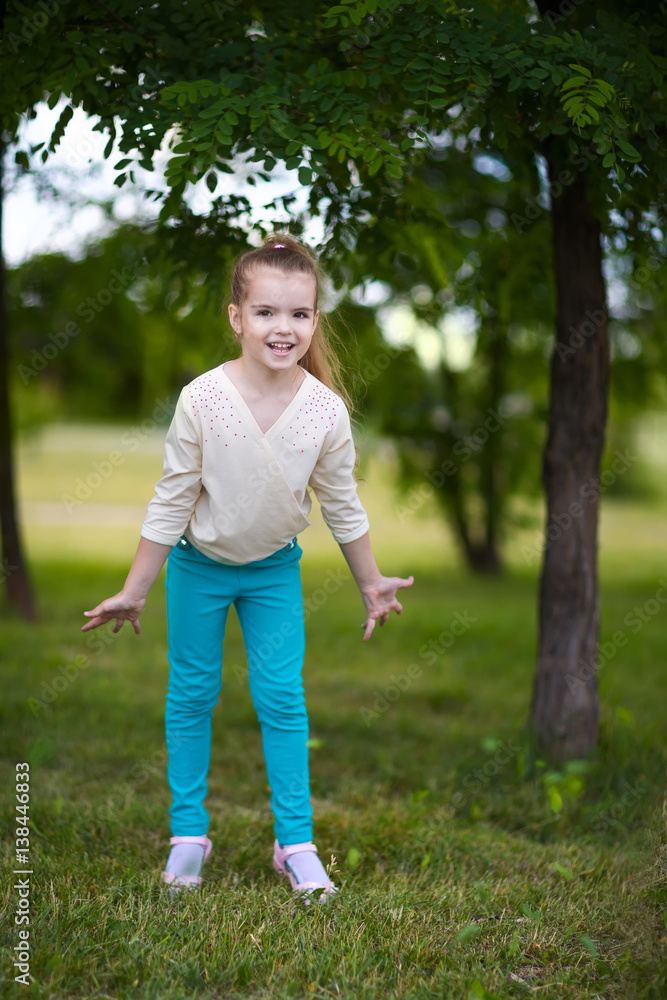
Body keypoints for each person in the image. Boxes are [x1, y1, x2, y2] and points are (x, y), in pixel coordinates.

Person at [81, 233, 414, 903]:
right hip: (198, 569)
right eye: (265, 312)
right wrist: (134, 590)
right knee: (192, 695)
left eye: (298, 314)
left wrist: (371, 582)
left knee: (281, 699)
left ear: (314, 320)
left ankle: (295, 845)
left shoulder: (324, 411)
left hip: (272, 574)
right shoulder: (202, 398)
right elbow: (171, 498)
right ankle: (187, 836)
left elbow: (342, 505)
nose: (282, 327)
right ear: (236, 317)